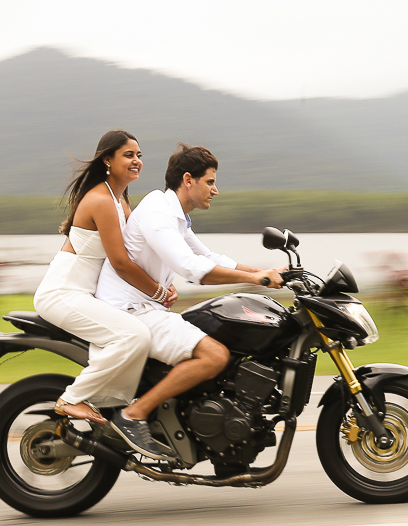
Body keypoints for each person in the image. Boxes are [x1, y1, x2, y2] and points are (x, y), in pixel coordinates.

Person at [94, 143, 284, 456]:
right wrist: (255, 280)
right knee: (214, 356)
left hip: (147, 307)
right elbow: (192, 269)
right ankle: (132, 415)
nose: (216, 190)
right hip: (129, 311)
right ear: (188, 180)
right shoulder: (159, 212)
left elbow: (208, 256)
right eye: (210, 182)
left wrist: (265, 271)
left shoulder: (176, 214)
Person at [33, 130, 180, 458]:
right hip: (63, 293)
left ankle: (113, 410)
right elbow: (121, 263)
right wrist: (157, 292)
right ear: (107, 161)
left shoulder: (120, 200)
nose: (137, 161)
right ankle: (74, 399)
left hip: (84, 296)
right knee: (134, 336)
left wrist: (169, 279)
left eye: (139, 155)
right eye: (128, 155)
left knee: (137, 334)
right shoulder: (101, 200)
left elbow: (139, 254)